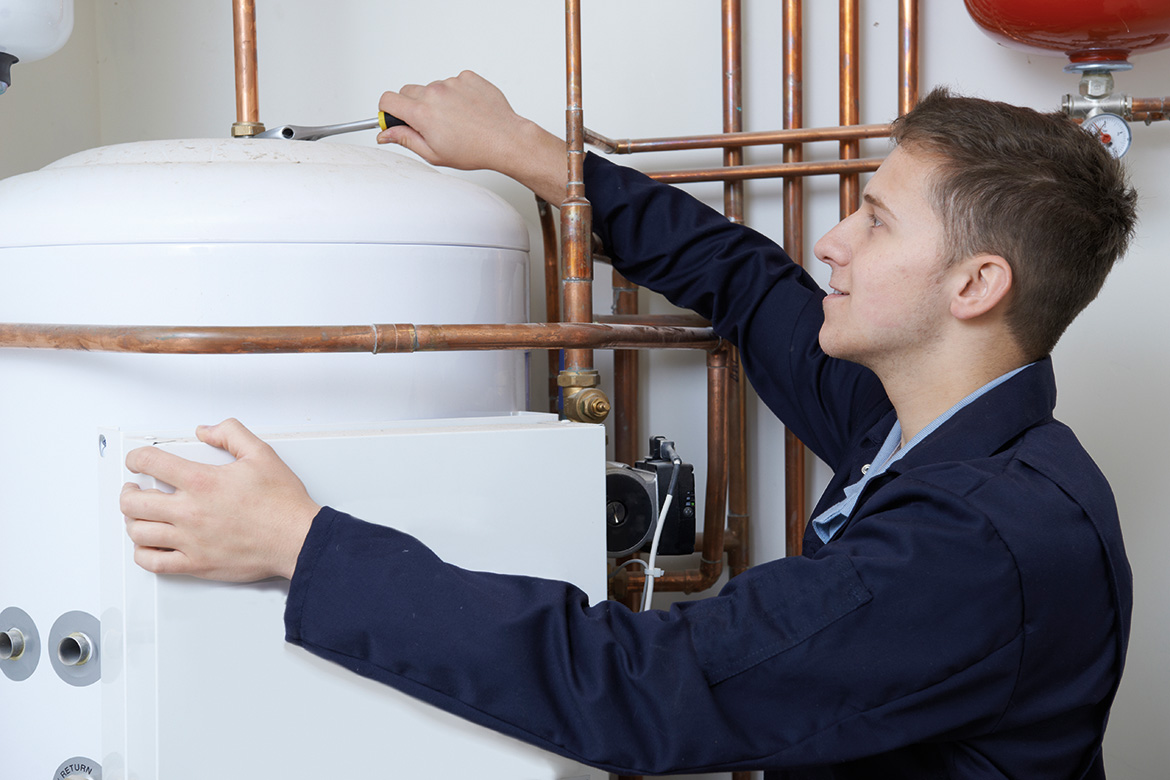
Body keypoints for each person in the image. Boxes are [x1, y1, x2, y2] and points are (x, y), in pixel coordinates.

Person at [120, 72, 1137, 779]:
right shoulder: (923, 423)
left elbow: (646, 687)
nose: (834, 242)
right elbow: (747, 283)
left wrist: (300, 546)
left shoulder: (976, 543)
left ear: (976, 284)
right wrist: (539, 160)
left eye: (875, 218)